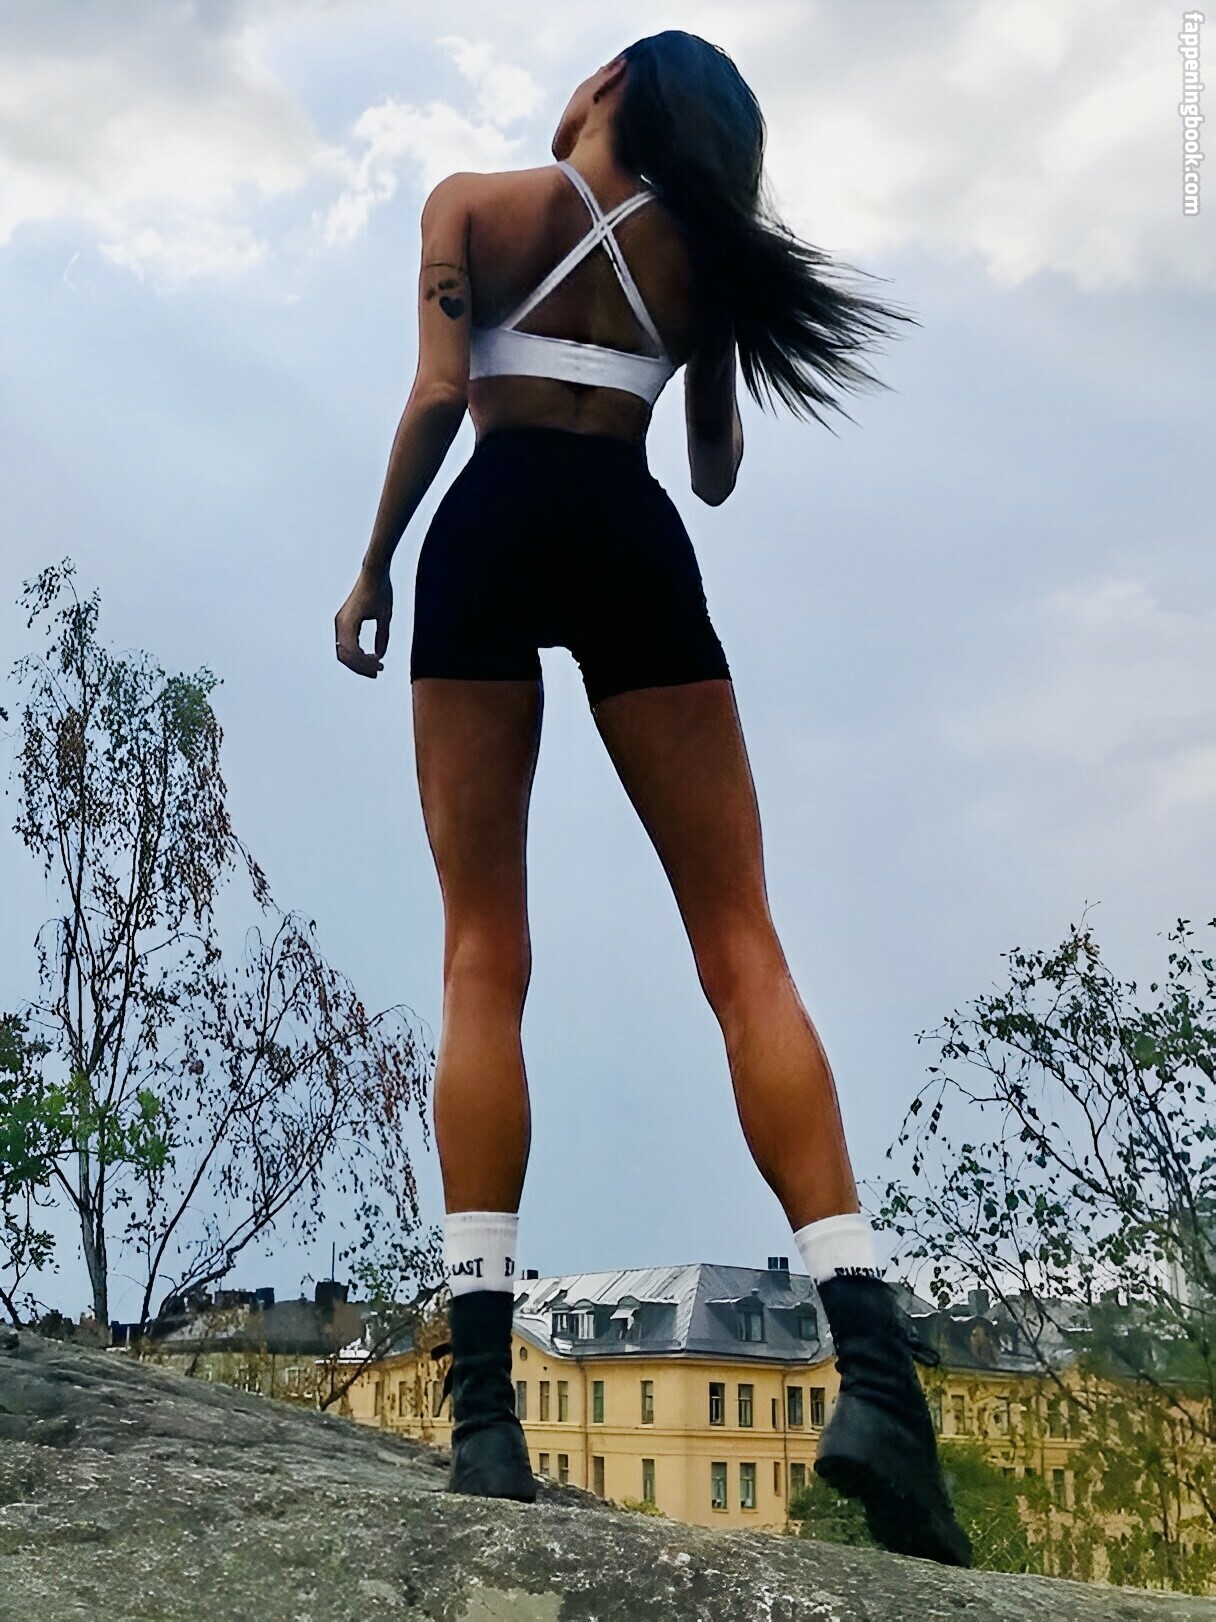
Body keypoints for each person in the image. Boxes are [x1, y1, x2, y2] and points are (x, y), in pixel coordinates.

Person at [335, 30, 970, 1567]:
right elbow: (716, 469)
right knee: (742, 947)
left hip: (484, 535)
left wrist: (372, 568)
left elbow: (436, 400)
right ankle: (878, 1380)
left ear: (607, 88)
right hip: (629, 536)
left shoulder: (472, 207)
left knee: (483, 957)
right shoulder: (705, 259)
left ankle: (484, 1413)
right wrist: (694, 334)